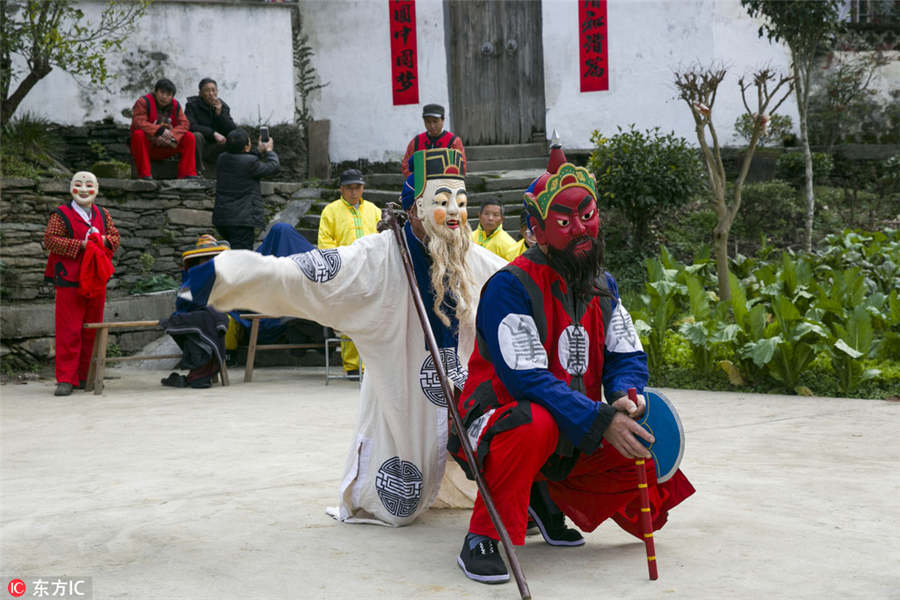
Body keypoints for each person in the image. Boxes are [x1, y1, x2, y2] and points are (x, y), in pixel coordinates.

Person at [178, 148, 507, 526]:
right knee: (402, 500)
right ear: (415, 207)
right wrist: (225, 276)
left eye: (461, 203)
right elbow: (309, 274)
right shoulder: (380, 256)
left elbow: (510, 278)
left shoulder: (465, 253)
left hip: (458, 374)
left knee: (493, 423)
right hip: (401, 377)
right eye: (442, 201)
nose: (454, 212)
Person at [451, 144, 695, 584]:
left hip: (574, 421)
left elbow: (627, 354)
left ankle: (543, 497)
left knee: (640, 437)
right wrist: (601, 420)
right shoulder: (510, 286)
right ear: (536, 229)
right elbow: (526, 381)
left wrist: (624, 397)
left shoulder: (604, 285)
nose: (582, 230)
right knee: (536, 422)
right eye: (565, 222)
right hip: (501, 421)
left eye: (588, 216)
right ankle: (484, 536)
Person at [43, 171, 120, 396]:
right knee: (69, 330)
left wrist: (103, 240)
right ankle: (66, 378)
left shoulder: (102, 214)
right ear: (71, 188)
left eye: (89, 185)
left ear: (97, 188)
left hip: (96, 279)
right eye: (78, 185)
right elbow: (51, 240)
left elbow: (115, 237)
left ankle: (87, 376)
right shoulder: (61, 214)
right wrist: (82, 245)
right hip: (69, 278)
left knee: (92, 330)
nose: (84, 190)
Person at [317, 168, 381, 376]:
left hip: (371, 270)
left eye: (358, 187)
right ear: (341, 189)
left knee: (372, 317)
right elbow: (325, 243)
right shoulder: (331, 211)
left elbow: (383, 236)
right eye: (349, 188)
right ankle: (353, 365)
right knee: (350, 317)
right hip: (345, 270)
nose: (354, 192)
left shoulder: (373, 210)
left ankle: (372, 363)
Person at [159, 235, 231, 389]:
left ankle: (199, 375)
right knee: (198, 321)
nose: (206, 262)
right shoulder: (190, 279)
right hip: (196, 315)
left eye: (209, 258)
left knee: (209, 318)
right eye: (203, 259)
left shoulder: (223, 277)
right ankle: (199, 375)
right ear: (197, 260)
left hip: (221, 317)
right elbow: (182, 303)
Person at [213, 128, 280, 250]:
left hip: (223, 219)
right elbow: (273, 167)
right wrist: (269, 151)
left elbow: (242, 159)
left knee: (230, 254)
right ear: (246, 147)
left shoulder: (221, 159)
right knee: (241, 259)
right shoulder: (250, 163)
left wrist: (258, 151)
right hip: (241, 221)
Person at [129, 78, 197, 180]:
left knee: (189, 137)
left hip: (167, 145)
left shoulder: (176, 105)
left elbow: (185, 124)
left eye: (168, 94)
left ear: (172, 97)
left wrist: (170, 136)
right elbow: (138, 122)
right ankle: (145, 175)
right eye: (162, 92)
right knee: (138, 134)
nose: (164, 97)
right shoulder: (143, 102)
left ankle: (187, 173)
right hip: (146, 146)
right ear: (156, 91)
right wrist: (158, 131)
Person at [185, 78, 237, 176]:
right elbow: (190, 126)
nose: (211, 94)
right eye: (207, 90)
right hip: (200, 147)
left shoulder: (222, 106)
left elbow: (232, 129)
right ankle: (198, 170)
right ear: (200, 93)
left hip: (216, 148)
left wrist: (220, 114)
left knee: (236, 137)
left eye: (213, 90)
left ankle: (233, 170)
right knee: (196, 135)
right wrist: (213, 133)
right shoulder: (192, 105)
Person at [401, 104, 466, 178]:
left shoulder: (453, 141)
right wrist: (415, 180)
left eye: (435, 121)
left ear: (443, 120)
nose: (432, 126)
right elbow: (405, 165)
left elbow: (461, 167)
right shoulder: (416, 141)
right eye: (428, 122)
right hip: (421, 186)